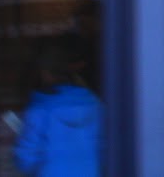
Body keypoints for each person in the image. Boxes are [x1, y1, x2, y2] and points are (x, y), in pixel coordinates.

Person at [13, 35, 103, 177]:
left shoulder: (40, 109)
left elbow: (25, 160)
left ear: (45, 73)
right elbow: (106, 149)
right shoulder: (94, 104)